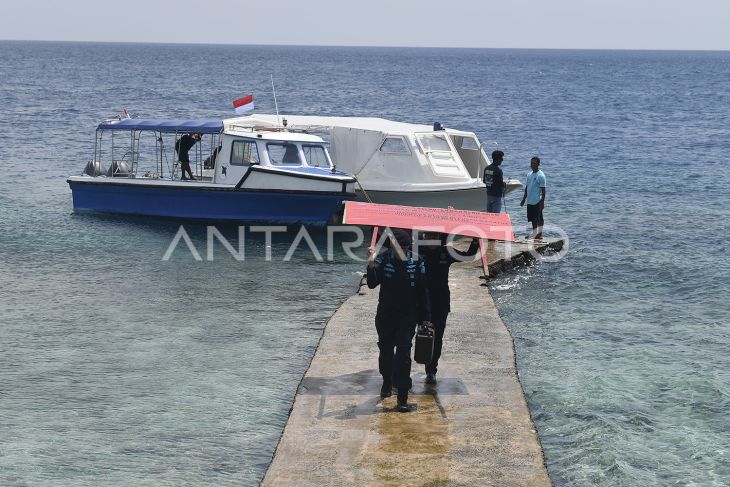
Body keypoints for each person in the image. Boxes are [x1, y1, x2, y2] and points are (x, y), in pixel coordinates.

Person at [367, 229, 431, 412]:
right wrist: (370, 265)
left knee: (403, 354)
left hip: (408, 316)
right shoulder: (383, 259)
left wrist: (426, 317)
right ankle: (387, 381)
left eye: (403, 247)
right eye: (396, 248)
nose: (400, 251)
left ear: (408, 247)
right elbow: (372, 284)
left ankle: (402, 397)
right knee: (386, 351)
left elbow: (423, 290)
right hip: (386, 316)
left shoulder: (418, 261)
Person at [418, 233, 479, 384]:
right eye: (429, 237)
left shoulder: (446, 251)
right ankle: (404, 370)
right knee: (421, 336)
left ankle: (431, 370)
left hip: (441, 301)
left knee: (437, 338)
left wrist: (475, 242)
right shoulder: (417, 251)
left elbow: (469, 256)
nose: (432, 240)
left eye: (436, 237)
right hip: (421, 301)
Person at [520, 156, 547, 239]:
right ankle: (535, 234)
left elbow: (543, 190)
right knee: (532, 219)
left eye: (534, 163)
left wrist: (542, 202)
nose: (532, 165)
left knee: (539, 219)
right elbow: (527, 187)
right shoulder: (529, 174)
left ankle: (539, 234)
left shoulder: (541, 175)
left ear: (538, 164)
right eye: (531, 163)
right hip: (529, 201)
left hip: (537, 201)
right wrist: (524, 198)